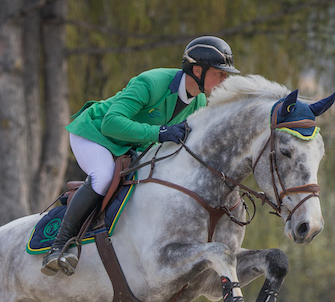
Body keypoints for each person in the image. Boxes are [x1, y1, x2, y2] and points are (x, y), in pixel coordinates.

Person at [41, 35, 240, 276]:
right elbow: (110, 123)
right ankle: (59, 245)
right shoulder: (151, 82)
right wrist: (160, 132)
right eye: (220, 72)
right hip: (94, 134)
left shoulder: (198, 101)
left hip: (129, 146)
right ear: (198, 70)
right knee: (103, 176)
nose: (225, 78)